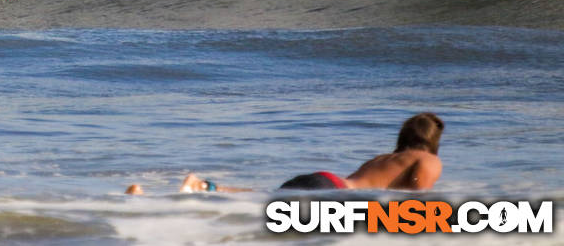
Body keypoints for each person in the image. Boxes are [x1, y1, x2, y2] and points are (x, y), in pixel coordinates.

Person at [127, 113, 444, 195]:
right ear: (432, 141)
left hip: (324, 181)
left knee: (260, 203)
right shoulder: (429, 160)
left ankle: (201, 187)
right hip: (332, 194)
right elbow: (419, 205)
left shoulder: (380, 159)